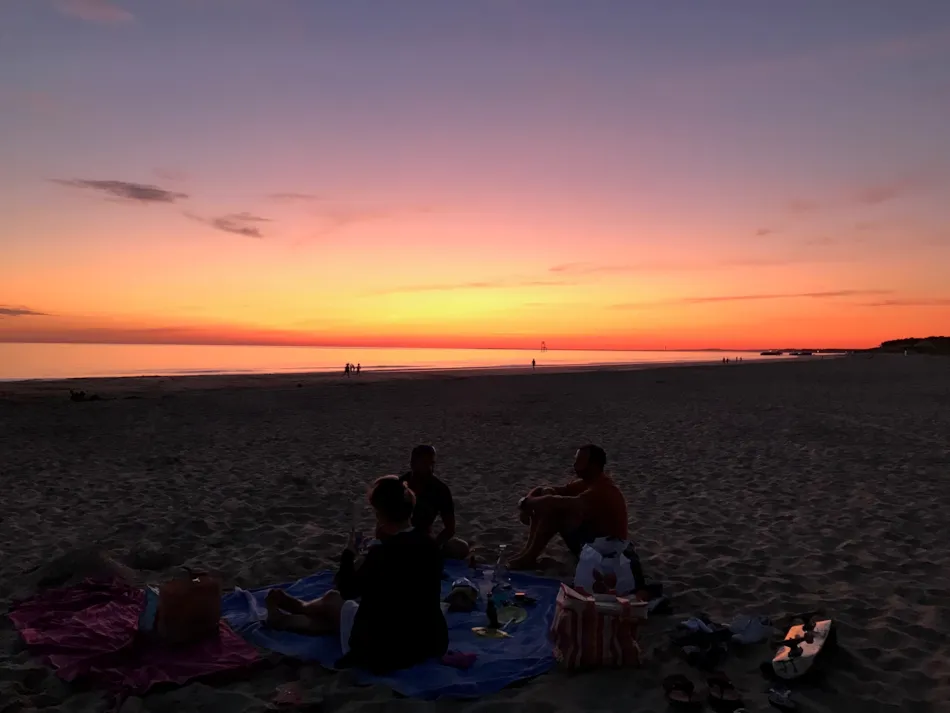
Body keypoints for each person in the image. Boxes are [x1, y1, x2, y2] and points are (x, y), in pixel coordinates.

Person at [265, 476, 448, 673]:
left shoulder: (382, 554)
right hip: (428, 639)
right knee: (342, 616)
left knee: (333, 600)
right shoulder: (430, 545)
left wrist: (349, 553)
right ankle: (289, 617)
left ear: (380, 515)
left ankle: (297, 609)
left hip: (387, 647)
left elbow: (347, 589)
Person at [508, 444, 627, 570]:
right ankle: (527, 553)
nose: (575, 466)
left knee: (555, 511)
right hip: (594, 542)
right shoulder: (586, 483)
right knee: (547, 499)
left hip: (608, 552)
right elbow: (546, 490)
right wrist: (530, 499)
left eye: (580, 462)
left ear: (594, 465)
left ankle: (529, 557)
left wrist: (526, 503)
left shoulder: (602, 489)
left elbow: (561, 503)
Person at [401, 445, 470, 560]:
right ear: (412, 464)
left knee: (461, 547)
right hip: (398, 538)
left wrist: (433, 545)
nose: (430, 468)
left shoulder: (440, 489)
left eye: (432, 464)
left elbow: (450, 528)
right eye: (424, 464)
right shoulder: (399, 485)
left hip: (424, 540)